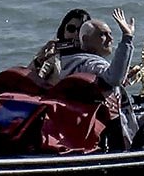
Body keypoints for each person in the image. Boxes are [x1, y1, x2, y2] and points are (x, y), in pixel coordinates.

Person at [57, 9, 138, 149]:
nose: (110, 39)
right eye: (103, 35)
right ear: (86, 40)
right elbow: (113, 78)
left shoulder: (70, 61)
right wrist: (127, 37)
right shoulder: (88, 63)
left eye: (110, 34)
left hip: (81, 131)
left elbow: (108, 81)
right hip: (109, 135)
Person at [30, 8, 92, 82]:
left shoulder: (92, 57)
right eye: (71, 29)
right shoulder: (54, 57)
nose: (76, 33)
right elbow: (30, 79)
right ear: (63, 30)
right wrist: (39, 61)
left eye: (81, 29)